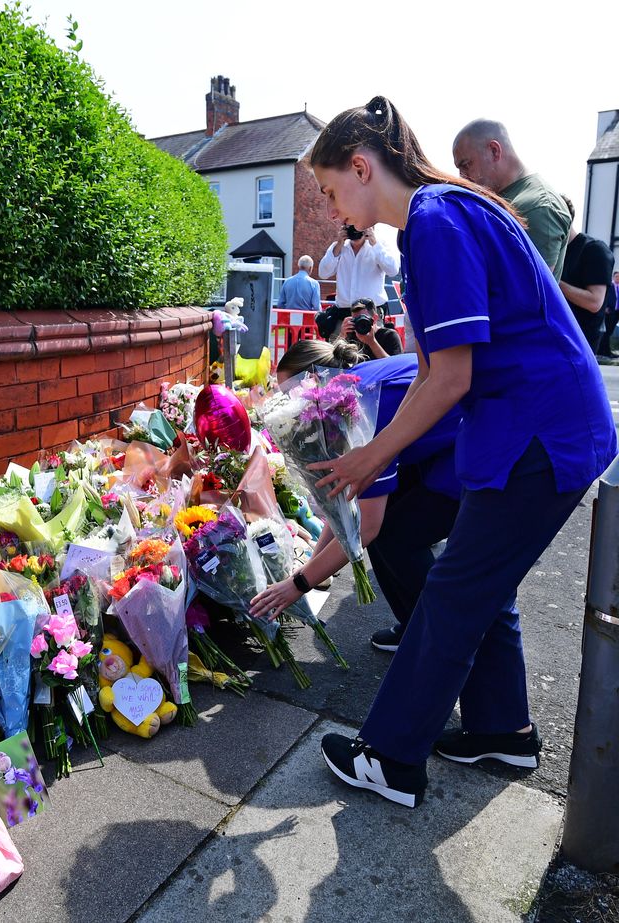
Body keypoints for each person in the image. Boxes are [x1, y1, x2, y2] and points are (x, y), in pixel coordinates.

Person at [307, 96, 615, 809]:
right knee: (477, 583)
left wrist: (366, 457)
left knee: (451, 593)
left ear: (360, 166)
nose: (329, 208)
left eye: (329, 189)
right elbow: (434, 366)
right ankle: (502, 729)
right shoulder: (444, 212)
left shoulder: (435, 223)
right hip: (540, 424)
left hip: (539, 432)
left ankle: (390, 757)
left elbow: (451, 377)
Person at [250, 341, 460, 654]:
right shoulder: (348, 392)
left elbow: (365, 528)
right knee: (391, 529)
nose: (290, 409)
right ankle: (418, 625)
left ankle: (439, 637)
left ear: (315, 381)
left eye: (291, 396)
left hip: (470, 453)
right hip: (442, 446)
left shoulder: (360, 408)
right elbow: (347, 504)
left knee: (399, 536)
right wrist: (310, 570)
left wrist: (297, 586)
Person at [452, 119, 572, 279]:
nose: (462, 177)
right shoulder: (504, 198)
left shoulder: (538, 207)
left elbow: (527, 294)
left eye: (466, 165)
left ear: (494, 151)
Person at [557, 198, 616, 355]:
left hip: (580, 343)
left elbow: (594, 302)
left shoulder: (594, 250)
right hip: (557, 337)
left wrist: (553, 281)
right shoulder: (554, 251)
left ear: (561, 217)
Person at [317, 222, 400, 317]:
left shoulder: (379, 246)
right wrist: (339, 245)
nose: (355, 229)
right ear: (345, 228)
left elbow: (393, 270)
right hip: (344, 311)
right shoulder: (338, 247)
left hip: (372, 311)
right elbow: (323, 273)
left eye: (359, 225)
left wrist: (374, 243)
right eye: (351, 225)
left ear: (370, 227)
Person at [338, 297, 403, 360]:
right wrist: (342, 336)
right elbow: (333, 361)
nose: (360, 323)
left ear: (375, 318)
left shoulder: (389, 335)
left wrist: (372, 342)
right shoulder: (351, 335)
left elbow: (394, 366)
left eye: (363, 318)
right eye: (356, 319)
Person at [603, 270, 619, 358]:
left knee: (610, 331)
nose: (618, 278)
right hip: (610, 312)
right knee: (607, 332)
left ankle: (607, 351)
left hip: (617, 312)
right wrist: (604, 308)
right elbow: (605, 297)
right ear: (613, 277)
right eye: (617, 276)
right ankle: (605, 352)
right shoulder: (610, 286)